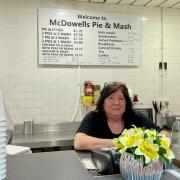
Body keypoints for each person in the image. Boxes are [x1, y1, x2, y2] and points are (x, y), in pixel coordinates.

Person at [74, 82, 170, 150]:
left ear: (126, 103)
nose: (116, 103)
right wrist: (121, 142)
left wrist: (146, 144)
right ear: (103, 103)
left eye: (121, 98)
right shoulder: (94, 117)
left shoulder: (136, 117)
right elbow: (79, 142)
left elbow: (165, 135)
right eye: (111, 98)